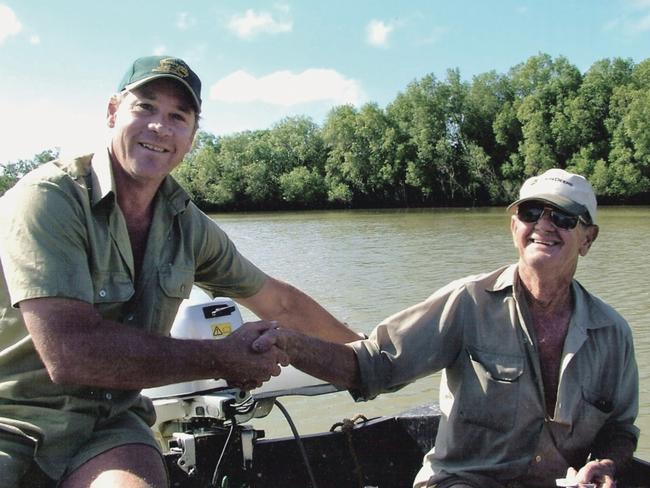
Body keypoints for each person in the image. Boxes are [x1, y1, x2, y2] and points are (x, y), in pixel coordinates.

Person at [0, 55, 361, 488]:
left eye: (178, 116)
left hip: (110, 428)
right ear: (113, 112)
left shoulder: (187, 225)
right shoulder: (49, 198)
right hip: (11, 419)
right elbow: (70, 353)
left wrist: (372, 359)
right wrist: (225, 359)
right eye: (145, 107)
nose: (160, 127)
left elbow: (277, 301)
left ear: (192, 135)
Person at [254, 168, 639, 488]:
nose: (543, 224)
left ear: (588, 238)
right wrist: (291, 345)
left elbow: (620, 429)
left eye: (563, 217)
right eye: (531, 212)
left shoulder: (613, 333)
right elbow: (372, 366)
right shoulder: (467, 302)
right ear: (513, 228)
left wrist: (604, 464)